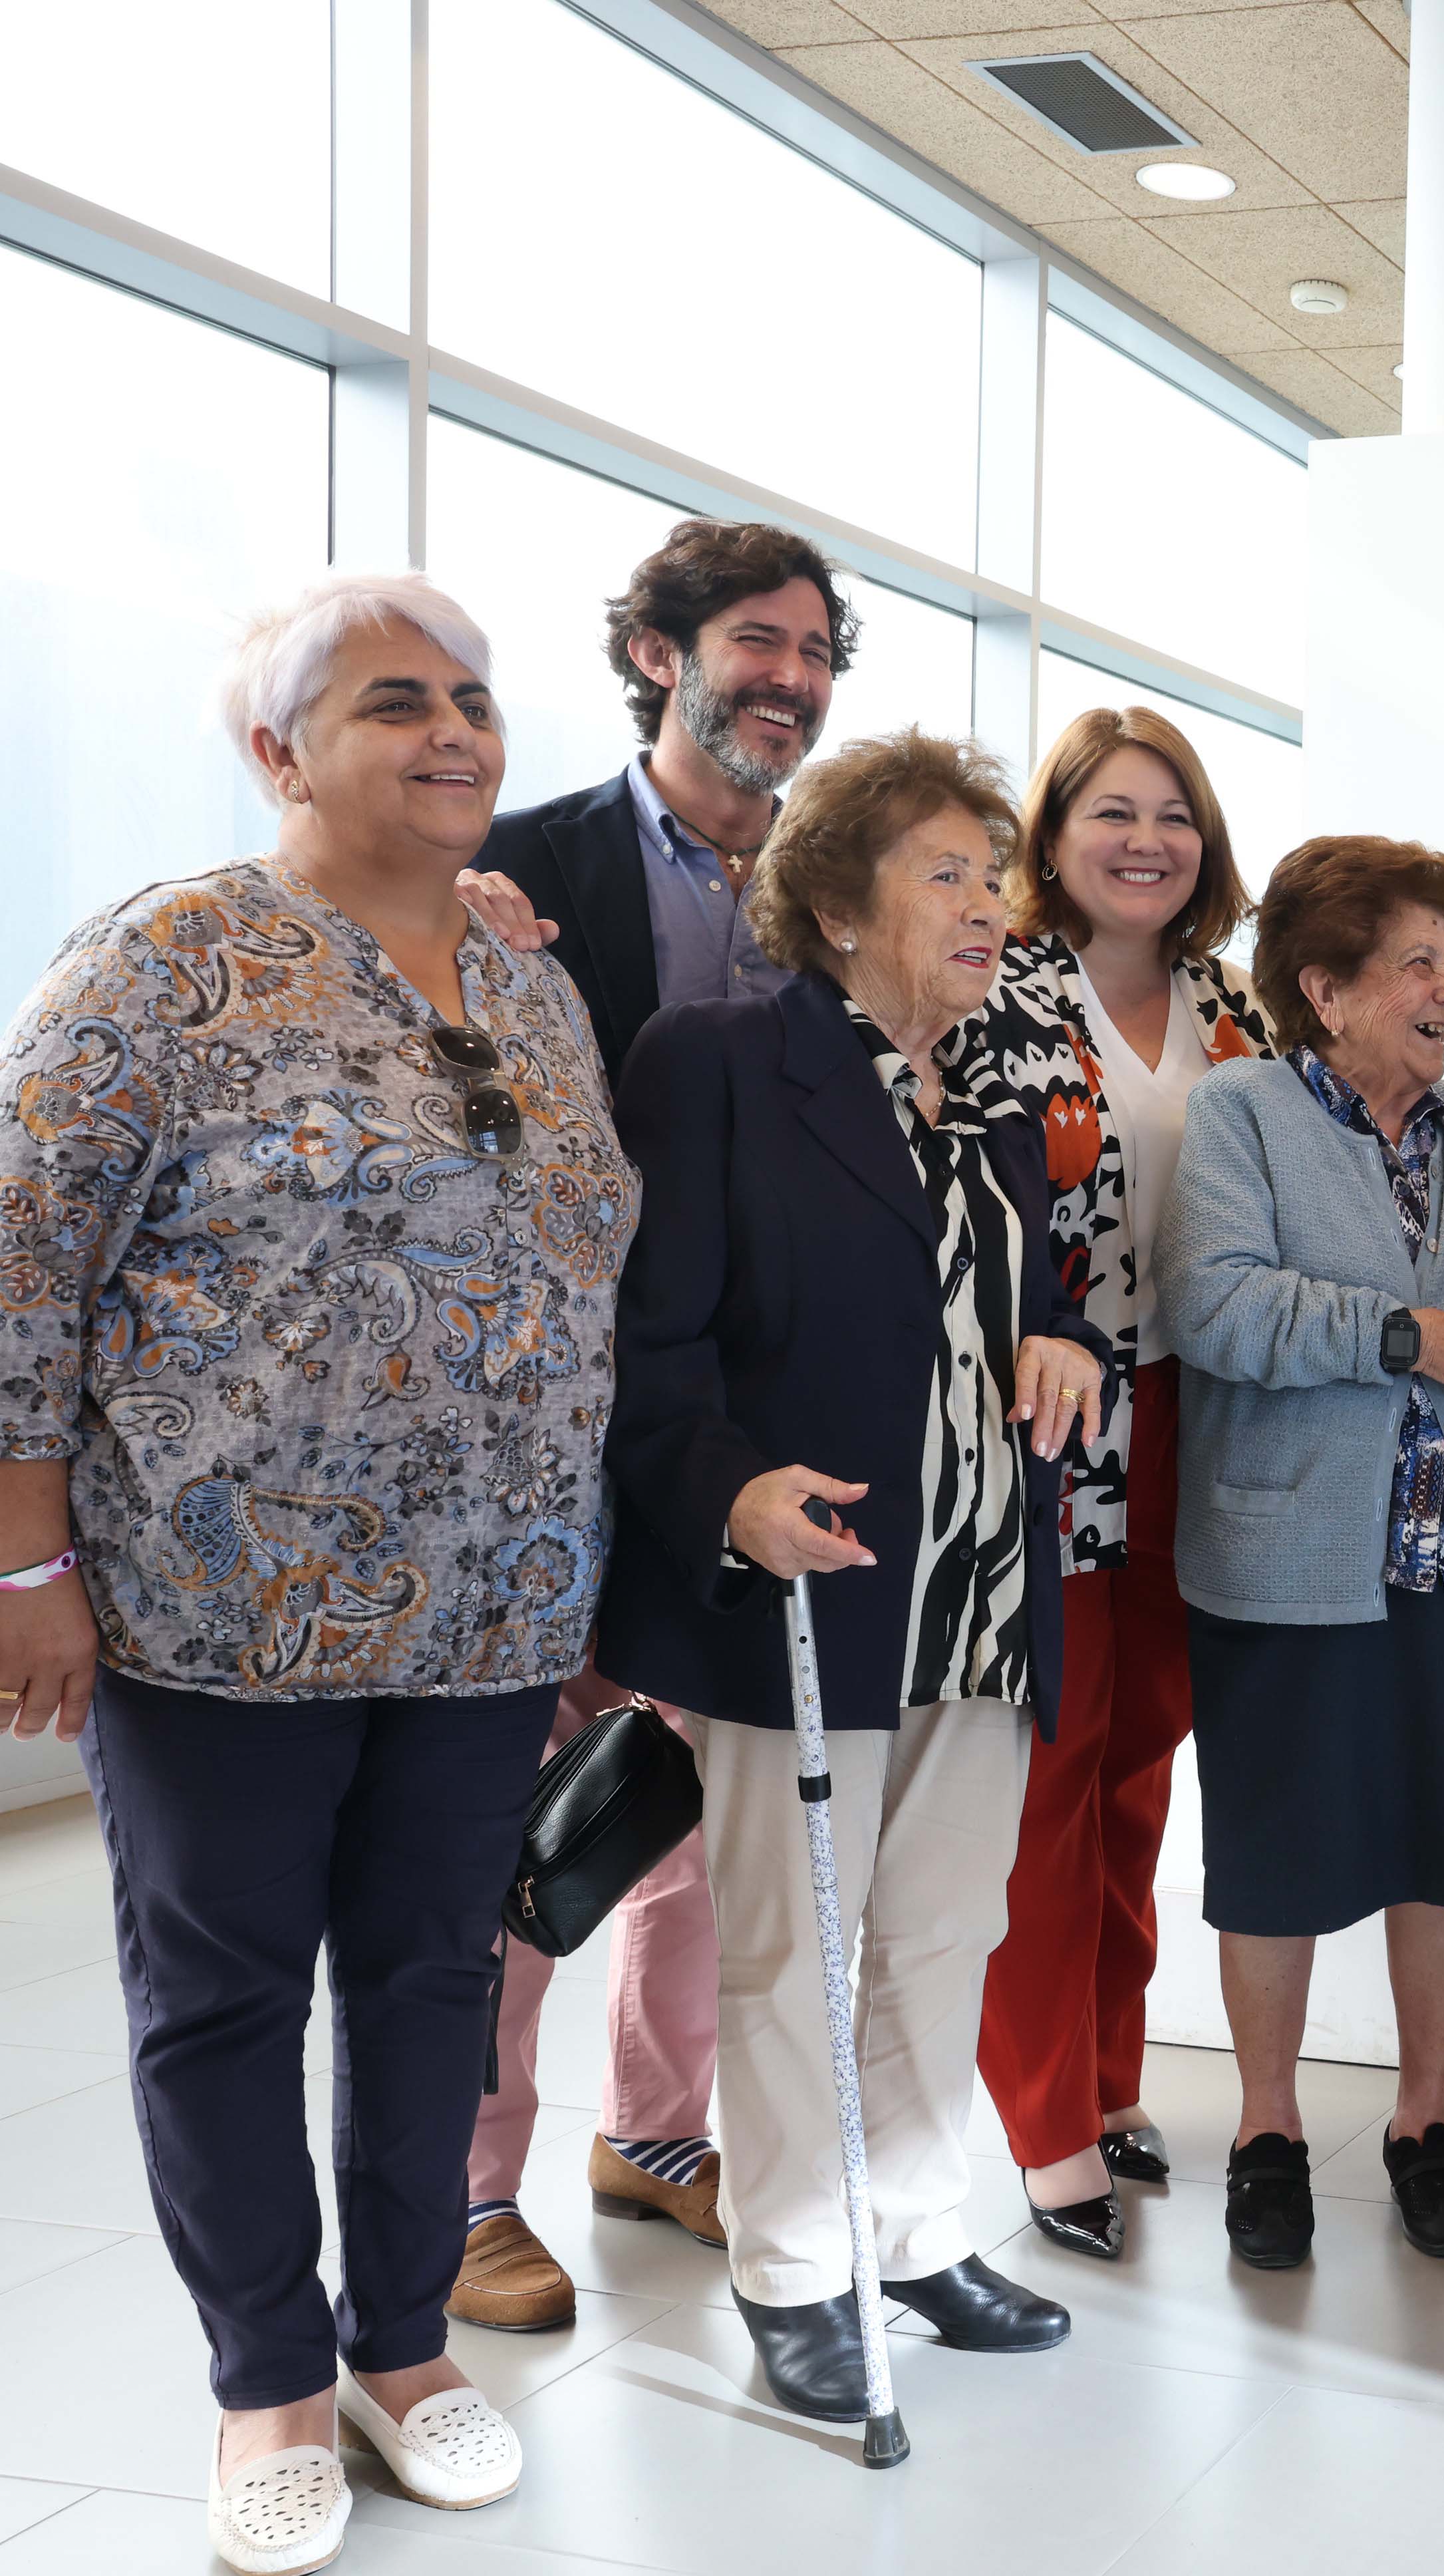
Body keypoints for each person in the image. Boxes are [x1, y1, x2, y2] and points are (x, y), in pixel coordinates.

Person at [0, 574, 631, 2570]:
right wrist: (29, 1570)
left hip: (493, 1603)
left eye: (471, 697)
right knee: (225, 1998)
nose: (455, 731)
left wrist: (584, 1573)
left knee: (441, 1978)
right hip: (217, 1607)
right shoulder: (163, 963)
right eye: (392, 704)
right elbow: (23, 1266)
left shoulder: (528, 981)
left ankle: (403, 2343)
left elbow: (580, 1264)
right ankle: (268, 2376)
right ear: (280, 751)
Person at [599, 727, 1109, 2422]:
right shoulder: (722, 1062)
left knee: (944, 1928)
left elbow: (1003, 1289)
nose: (988, 905)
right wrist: (726, 1483)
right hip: (809, 1582)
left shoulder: (997, 1088)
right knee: (790, 1942)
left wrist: (1061, 1336)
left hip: (977, 1582)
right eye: (946, 874)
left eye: (994, 875)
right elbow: (648, 1336)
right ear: (831, 903)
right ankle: (796, 2262)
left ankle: (913, 2227)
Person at [448, 519, 859, 2327]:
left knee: (697, 1797)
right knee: (509, 1825)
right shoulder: (512, 867)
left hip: (739, 1432)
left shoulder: (841, 893)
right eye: (755, 643)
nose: (789, 678)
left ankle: (657, 2133)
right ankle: (465, 2194)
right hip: (539, 1426)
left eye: (816, 652)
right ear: (656, 654)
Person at [1165, 837, 1444, 2271]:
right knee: (1275, 1858)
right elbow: (1218, 1308)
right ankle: (1268, 2130)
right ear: (1326, 987)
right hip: (1290, 1554)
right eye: (1417, 962)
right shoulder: (1240, 1113)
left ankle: (1424, 2120)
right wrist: (1408, 1336)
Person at [971, 707, 1278, 2262]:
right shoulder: (1000, 992)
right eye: (1111, 812)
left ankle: (1108, 2071)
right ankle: (1041, 2120)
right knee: (1053, 1765)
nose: (1145, 840)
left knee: (1146, 1760)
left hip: (1208, 1423)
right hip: (1053, 1430)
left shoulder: (1238, 1008)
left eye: (1172, 814)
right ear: (1054, 833)